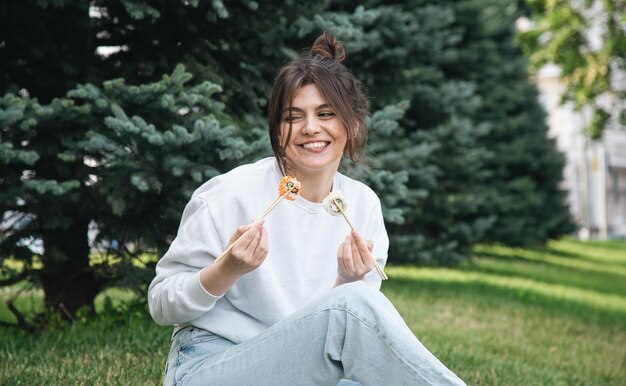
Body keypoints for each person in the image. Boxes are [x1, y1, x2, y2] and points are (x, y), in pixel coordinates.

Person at [148, 31, 465, 386]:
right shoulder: (229, 194)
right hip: (213, 366)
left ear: (354, 123)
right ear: (277, 128)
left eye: (326, 113)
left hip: (302, 371)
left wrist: (346, 282)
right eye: (293, 116)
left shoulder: (362, 207)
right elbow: (161, 305)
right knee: (352, 306)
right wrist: (227, 268)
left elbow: (338, 339)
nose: (310, 128)